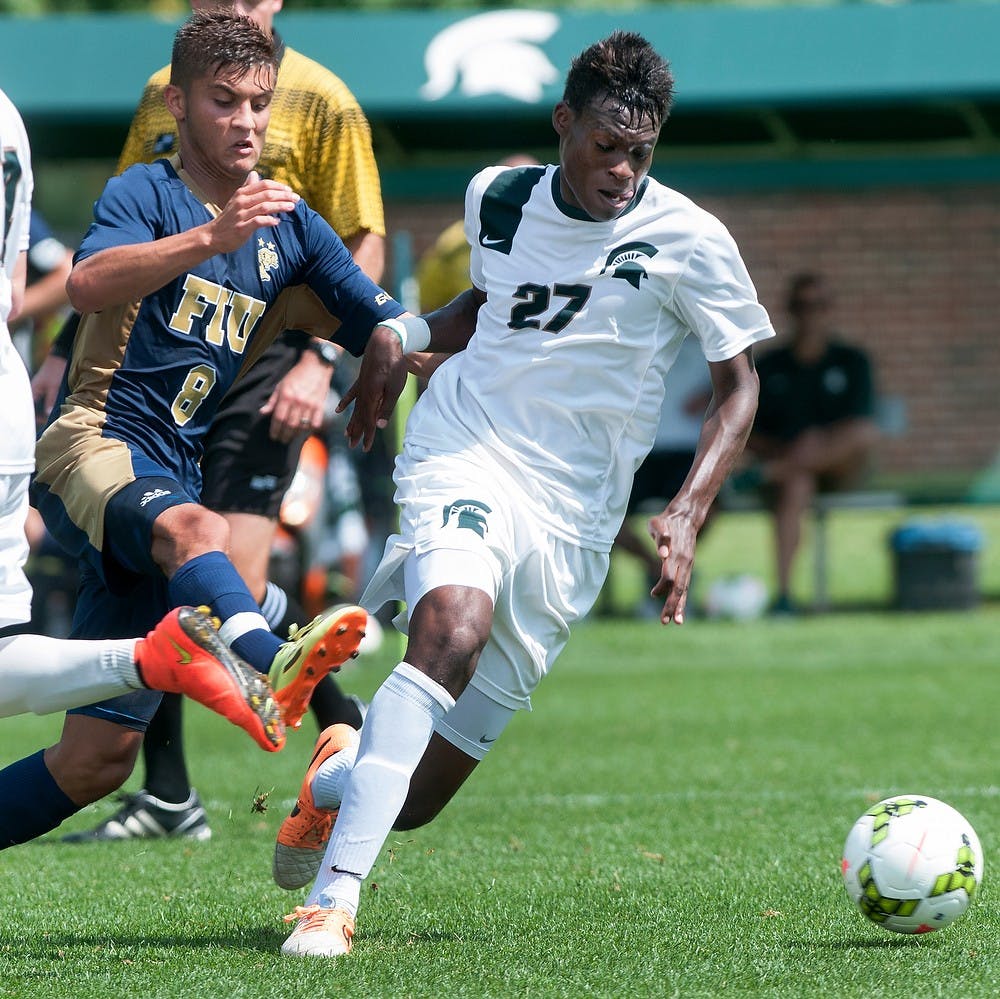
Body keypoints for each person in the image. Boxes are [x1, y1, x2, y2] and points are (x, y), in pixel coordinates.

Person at [273, 31, 775, 959]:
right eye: (604, 146)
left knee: (415, 796)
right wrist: (406, 331)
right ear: (564, 124)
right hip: (467, 449)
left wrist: (686, 510)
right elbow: (485, 308)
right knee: (451, 627)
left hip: (574, 520)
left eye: (640, 153)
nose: (621, 170)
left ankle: (336, 778)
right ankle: (332, 904)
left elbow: (740, 384)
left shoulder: (690, 239)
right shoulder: (497, 197)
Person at [0, 10, 406, 851]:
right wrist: (209, 237)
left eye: (258, 104)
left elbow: (385, 322)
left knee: (96, 761)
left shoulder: (288, 222)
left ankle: (268, 640)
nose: (247, 122)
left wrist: (438, 340)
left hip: (170, 471)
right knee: (201, 531)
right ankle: (275, 655)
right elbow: (86, 283)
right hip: (93, 441)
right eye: (224, 102)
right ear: (178, 106)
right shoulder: (144, 193)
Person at [0, 87, 283, 754]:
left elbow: (70, 276)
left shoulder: (316, 117)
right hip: (9, 398)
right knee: (89, 755)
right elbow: (22, 288)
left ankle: (245, 648)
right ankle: (163, 657)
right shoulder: (10, 113)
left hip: (97, 428)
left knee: (195, 533)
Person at [743, 272, 878, 614]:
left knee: (861, 434)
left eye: (819, 306)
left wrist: (820, 441)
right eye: (803, 306)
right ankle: (785, 596)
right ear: (790, 310)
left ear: (829, 309)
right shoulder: (771, 365)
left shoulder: (852, 360)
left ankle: (775, 471)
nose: (811, 314)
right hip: (787, 470)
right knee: (797, 481)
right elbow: (749, 430)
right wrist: (787, 453)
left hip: (841, 468)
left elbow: (861, 423)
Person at [612, 332, 714, 616]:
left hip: (687, 453)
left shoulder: (711, 342)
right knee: (604, 510)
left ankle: (670, 572)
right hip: (642, 451)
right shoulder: (636, 335)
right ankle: (659, 569)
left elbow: (736, 387)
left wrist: (710, 395)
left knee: (707, 507)